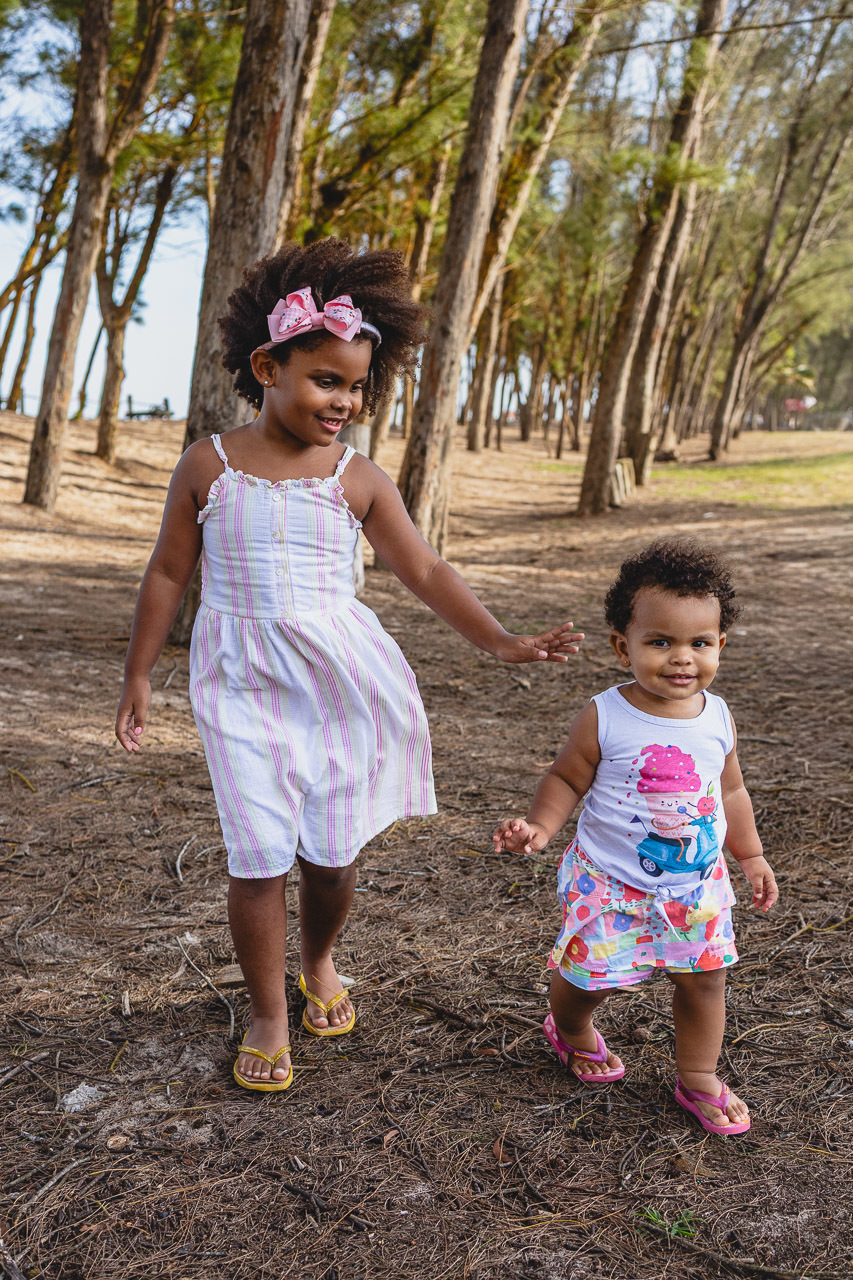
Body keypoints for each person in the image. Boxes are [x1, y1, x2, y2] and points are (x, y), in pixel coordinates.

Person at [115, 239, 582, 1093]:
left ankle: (318, 960)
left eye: (358, 385)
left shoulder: (358, 478)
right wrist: (140, 672)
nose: (346, 401)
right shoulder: (208, 465)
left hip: (338, 683)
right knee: (256, 855)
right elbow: (168, 573)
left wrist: (502, 640)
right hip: (241, 684)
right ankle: (264, 1011)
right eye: (326, 380)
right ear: (267, 365)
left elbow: (426, 571)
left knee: (329, 859)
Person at [493, 539, 778, 1135]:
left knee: (704, 979)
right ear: (624, 647)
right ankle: (569, 1027)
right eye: (660, 642)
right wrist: (541, 827)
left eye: (699, 643)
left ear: (719, 645)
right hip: (614, 881)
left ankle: (698, 1075)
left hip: (695, 885)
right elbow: (567, 776)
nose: (681, 659)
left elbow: (730, 793)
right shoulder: (607, 714)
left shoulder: (718, 716)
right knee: (587, 977)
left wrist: (748, 854)